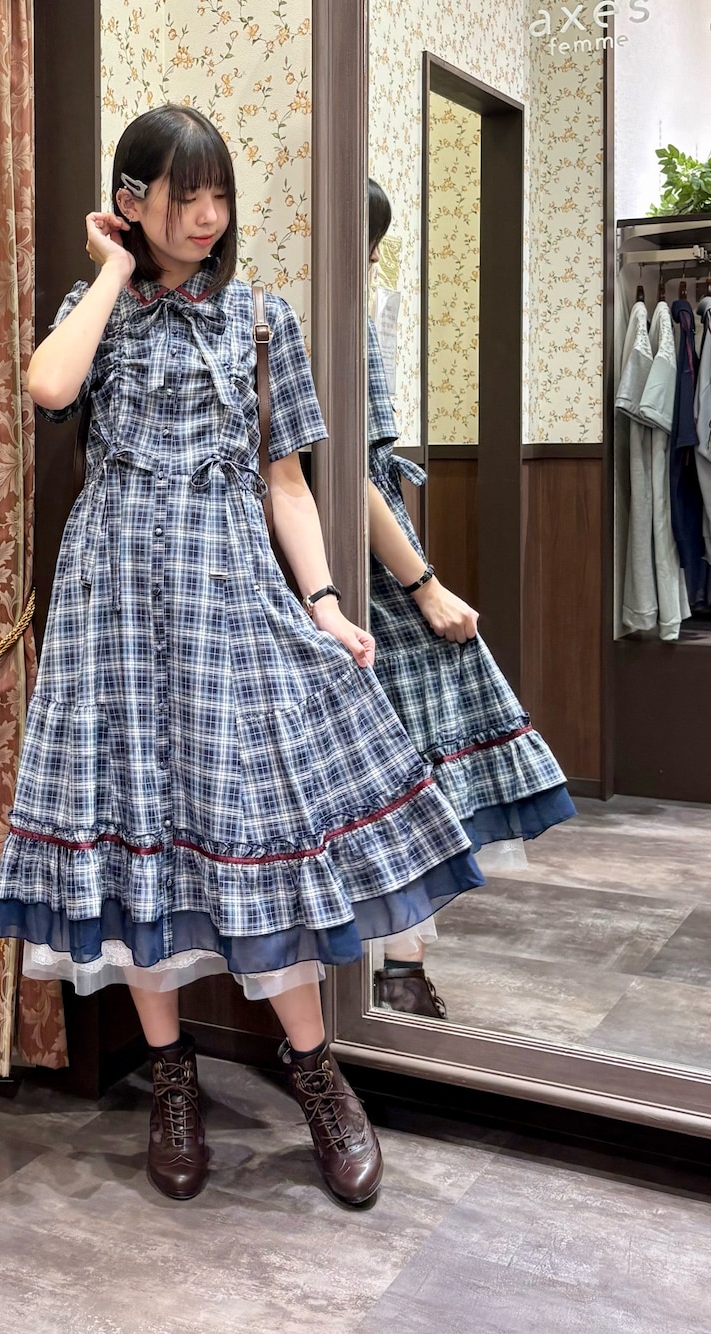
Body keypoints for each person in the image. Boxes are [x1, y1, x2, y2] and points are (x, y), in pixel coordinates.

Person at [0, 106, 485, 1209]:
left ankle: (317, 1074)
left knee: (259, 823)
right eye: (183, 196)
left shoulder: (261, 318)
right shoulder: (95, 307)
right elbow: (49, 388)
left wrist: (323, 602)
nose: (206, 216)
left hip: (227, 591)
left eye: (218, 196)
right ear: (132, 201)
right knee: (138, 827)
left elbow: (286, 482)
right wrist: (113, 271)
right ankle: (172, 1078)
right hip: (113, 603)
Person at [364, 179, 576, 1018]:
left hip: (360, 542)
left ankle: (400, 965)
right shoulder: (315, 316)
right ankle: (397, 970)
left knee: (402, 750)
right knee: (404, 747)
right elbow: (341, 469)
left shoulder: (338, 310)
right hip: (350, 553)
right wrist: (423, 585)